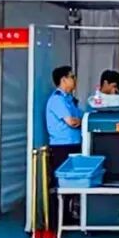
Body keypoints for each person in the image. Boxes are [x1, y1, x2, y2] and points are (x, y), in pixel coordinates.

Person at [45, 66, 83, 213]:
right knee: (61, 183)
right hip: (62, 147)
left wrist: (80, 121)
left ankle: (69, 215)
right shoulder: (57, 100)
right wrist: (80, 122)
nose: (75, 80)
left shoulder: (70, 100)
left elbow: (81, 117)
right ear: (63, 80)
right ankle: (57, 217)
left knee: (74, 182)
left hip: (74, 145)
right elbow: (72, 122)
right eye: (72, 77)